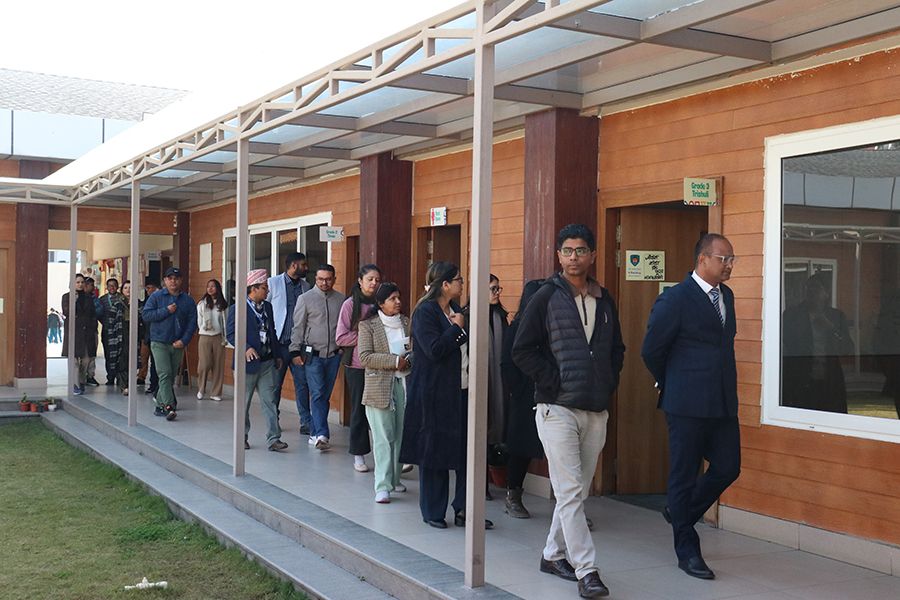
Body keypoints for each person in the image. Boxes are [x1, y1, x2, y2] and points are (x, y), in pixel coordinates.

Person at [512, 224, 624, 599]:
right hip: (556, 408)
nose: (574, 257)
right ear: (558, 256)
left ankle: (551, 554)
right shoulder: (545, 296)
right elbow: (521, 349)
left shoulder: (604, 299)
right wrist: (554, 381)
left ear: (593, 255)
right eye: (567, 251)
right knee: (571, 491)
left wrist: (607, 382)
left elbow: (617, 349)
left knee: (575, 492)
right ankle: (586, 570)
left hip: (595, 408)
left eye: (580, 250)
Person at [641, 233, 742, 581]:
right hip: (686, 402)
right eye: (724, 259)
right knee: (684, 474)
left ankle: (679, 512)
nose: (729, 265)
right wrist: (669, 381)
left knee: (728, 466)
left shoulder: (726, 296)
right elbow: (651, 350)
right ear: (703, 260)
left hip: (723, 401)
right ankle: (687, 549)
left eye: (732, 259)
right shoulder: (675, 299)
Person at [400, 262, 492, 530]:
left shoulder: (456, 311)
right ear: (445, 284)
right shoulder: (425, 312)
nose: (462, 284)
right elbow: (434, 350)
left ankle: (465, 509)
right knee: (435, 452)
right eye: (458, 279)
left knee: (468, 452)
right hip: (434, 394)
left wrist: (459, 326)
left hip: (463, 391)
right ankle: (433, 511)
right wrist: (456, 329)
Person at [358, 282, 411, 503]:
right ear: (380, 303)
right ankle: (382, 486)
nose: (397, 302)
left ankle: (395, 479)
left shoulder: (406, 322)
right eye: (392, 299)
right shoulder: (368, 325)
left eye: (398, 297)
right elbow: (365, 356)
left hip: (404, 383)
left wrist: (408, 359)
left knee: (401, 436)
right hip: (379, 386)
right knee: (383, 437)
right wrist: (394, 361)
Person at [227, 269, 289, 451]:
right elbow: (230, 333)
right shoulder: (237, 308)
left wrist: (277, 355)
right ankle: (242, 437)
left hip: (267, 362)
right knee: (244, 402)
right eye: (264, 287)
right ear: (253, 288)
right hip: (246, 364)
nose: (267, 291)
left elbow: (272, 332)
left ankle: (274, 438)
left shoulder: (268, 307)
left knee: (270, 401)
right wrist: (245, 347)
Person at [500, 279, 545, 519]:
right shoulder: (516, 327)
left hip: (551, 392)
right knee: (521, 447)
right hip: (524, 394)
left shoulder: (553, 325)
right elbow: (507, 363)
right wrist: (518, 390)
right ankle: (513, 494)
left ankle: (570, 507)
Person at [289, 264, 345, 450]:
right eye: (321, 279)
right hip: (312, 356)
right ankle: (322, 434)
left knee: (324, 395)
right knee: (318, 393)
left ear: (334, 279)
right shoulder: (305, 299)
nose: (324, 283)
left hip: (334, 355)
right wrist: (294, 351)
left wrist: (343, 347)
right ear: (315, 279)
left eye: (328, 279)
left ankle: (314, 433)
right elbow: (298, 327)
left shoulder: (341, 300)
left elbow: (344, 327)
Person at [782, 273, 853, 414]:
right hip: (800, 379)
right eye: (808, 287)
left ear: (826, 293)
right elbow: (786, 344)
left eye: (816, 287)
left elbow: (848, 348)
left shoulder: (836, 316)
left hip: (829, 380)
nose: (811, 291)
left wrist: (831, 328)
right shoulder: (792, 315)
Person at [335, 263, 381, 473]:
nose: (374, 283)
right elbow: (341, 337)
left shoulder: (383, 302)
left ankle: (384, 456)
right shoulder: (350, 305)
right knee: (359, 411)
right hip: (357, 366)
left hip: (381, 365)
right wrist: (365, 336)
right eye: (370, 279)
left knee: (382, 413)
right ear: (360, 281)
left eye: (377, 280)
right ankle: (358, 454)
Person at [142, 267, 197, 421]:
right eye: (170, 278)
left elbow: (192, 323)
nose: (173, 281)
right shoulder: (156, 296)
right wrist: (166, 311)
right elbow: (146, 315)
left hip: (177, 343)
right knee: (165, 373)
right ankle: (168, 406)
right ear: (165, 281)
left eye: (176, 278)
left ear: (181, 280)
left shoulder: (187, 300)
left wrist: (184, 340)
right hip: (159, 342)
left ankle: (159, 405)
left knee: (170, 376)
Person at [268, 252, 312, 434]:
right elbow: (266, 309)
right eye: (303, 265)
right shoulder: (273, 283)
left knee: (302, 384)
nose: (306, 268)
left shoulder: (306, 286)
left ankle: (306, 422)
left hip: (299, 346)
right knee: (275, 386)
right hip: (279, 344)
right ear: (294, 265)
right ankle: (273, 421)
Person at [62, 274, 96, 395]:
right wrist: (74, 301)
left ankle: (81, 380)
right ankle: (74, 384)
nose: (80, 284)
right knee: (74, 360)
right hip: (73, 331)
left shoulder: (88, 297)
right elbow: (66, 312)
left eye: (82, 282)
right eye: (77, 282)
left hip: (86, 332)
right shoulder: (67, 297)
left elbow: (93, 314)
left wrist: (93, 327)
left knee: (86, 359)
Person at [196, 278, 227, 402]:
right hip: (205, 336)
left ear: (218, 288)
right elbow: (199, 321)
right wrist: (205, 329)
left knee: (218, 365)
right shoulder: (202, 304)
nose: (210, 288)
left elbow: (225, 321)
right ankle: (201, 389)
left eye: (213, 286)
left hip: (219, 336)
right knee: (204, 364)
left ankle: (216, 392)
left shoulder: (222, 304)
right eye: (208, 286)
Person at [97, 278, 126, 385]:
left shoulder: (122, 298)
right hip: (107, 331)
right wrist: (107, 323)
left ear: (117, 287)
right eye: (110, 285)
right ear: (106, 287)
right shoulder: (102, 299)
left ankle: (120, 377)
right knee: (109, 354)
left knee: (120, 354)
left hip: (120, 331)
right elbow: (99, 315)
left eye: (114, 285)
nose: (112, 287)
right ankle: (110, 377)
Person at [139, 278, 160, 395]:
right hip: (147, 335)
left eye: (149, 288)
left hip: (158, 335)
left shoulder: (159, 299)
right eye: (146, 288)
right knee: (146, 359)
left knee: (156, 362)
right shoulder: (147, 300)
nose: (147, 290)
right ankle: (152, 384)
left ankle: (156, 385)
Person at [114, 281, 132, 395]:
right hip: (121, 333)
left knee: (133, 359)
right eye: (125, 288)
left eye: (130, 287)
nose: (128, 290)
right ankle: (123, 384)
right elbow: (111, 321)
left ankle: (130, 383)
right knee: (123, 358)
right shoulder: (117, 304)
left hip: (135, 333)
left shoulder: (138, 303)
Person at [83, 277, 101, 386]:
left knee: (92, 354)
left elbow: (99, 311)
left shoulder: (95, 299)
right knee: (83, 356)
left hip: (92, 329)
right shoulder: (78, 297)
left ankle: (90, 375)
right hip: (81, 331)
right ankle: (81, 377)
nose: (93, 287)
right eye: (91, 285)